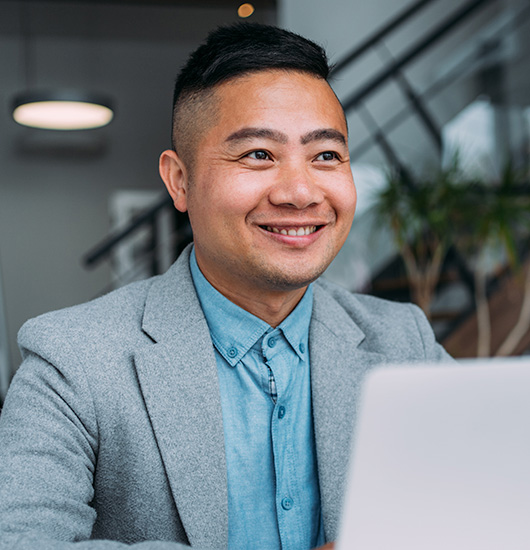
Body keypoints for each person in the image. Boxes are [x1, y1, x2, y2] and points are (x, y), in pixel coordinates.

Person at [0, 23, 451, 550]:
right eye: (258, 154)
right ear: (179, 181)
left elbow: (490, 496)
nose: (301, 192)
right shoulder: (72, 359)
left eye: (326, 155)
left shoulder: (405, 343)